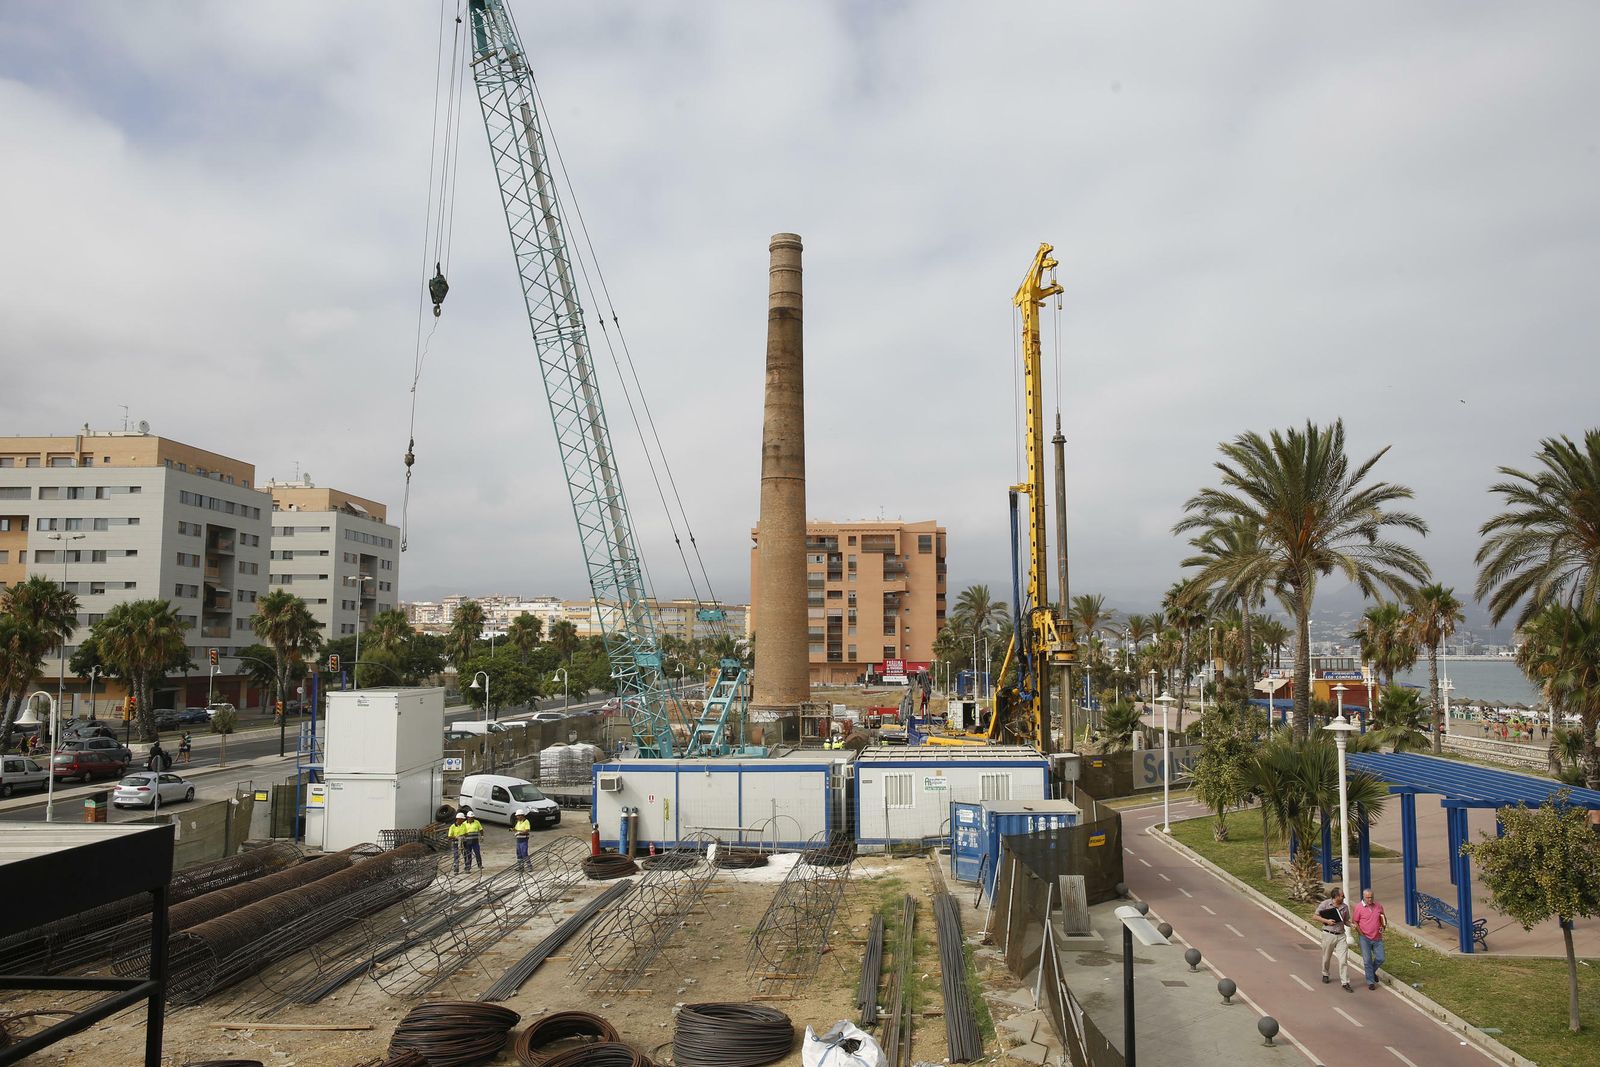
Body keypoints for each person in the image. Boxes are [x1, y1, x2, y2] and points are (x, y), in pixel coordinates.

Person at [1314, 886, 1353, 991]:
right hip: (1328, 934)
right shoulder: (1325, 904)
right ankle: (1325, 973)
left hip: (1341, 935)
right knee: (1326, 957)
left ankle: (1345, 982)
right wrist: (1327, 921)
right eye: (1342, 895)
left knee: (1343, 960)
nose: (1344, 897)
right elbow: (1315, 916)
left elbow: (1346, 920)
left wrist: (1352, 925)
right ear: (1336, 897)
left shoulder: (1345, 907)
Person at [1352, 888, 1388, 990]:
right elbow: (1355, 921)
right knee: (1367, 960)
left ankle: (1371, 972)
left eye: (1371, 897)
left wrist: (1383, 926)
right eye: (1368, 897)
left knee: (1381, 958)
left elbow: (1383, 918)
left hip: (1377, 937)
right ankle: (1370, 982)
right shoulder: (1359, 907)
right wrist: (1361, 934)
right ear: (1364, 897)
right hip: (1365, 938)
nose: (1370, 899)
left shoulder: (1378, 906)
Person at [448, 808, 484, 873]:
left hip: (466, 842)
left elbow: (466, 833)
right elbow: (449, 836)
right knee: (457, 856)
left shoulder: (464, 825)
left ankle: (468, 868)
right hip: (457, 844)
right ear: (459, 819)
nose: (471, 818)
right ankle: (456, 870)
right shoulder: (453, 826)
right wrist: (457, 837)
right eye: (462, 819)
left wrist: (464, 836)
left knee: (467, 855)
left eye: (472, 817)